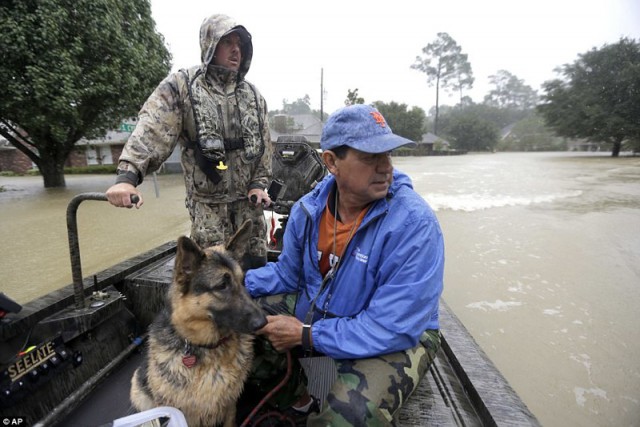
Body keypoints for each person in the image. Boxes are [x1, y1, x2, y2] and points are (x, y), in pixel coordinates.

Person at [244, 104, 445, 426]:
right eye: (370, 157)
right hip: (326, 309)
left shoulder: (414, 225)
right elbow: (287, 274)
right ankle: (298, 400)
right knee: (239, 329)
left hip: (400, 332)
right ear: (331, 162)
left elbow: (392, 327)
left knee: (348, 415)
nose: (385, 168)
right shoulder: (307, 212)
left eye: (388, 155)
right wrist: (234, 284)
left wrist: (306, 335)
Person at [106, 14, 272, 268]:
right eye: (227, 41)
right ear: (210, 45)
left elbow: (264, 148)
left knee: (255, 274)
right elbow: (152, 129)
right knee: (212, 281)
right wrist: (127, 179)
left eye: (239, 43)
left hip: (249, 212)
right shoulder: (183, 86)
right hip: (209, 212)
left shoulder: (254, 95)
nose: (236, 49)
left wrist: (259, 185)